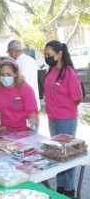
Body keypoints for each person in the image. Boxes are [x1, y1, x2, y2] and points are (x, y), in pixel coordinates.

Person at [44, 40, 83, 198]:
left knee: (67, 157)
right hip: (52, 119)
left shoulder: (69, 74)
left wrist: (64, 106)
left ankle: (69, 191)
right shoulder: (51, 69)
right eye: (45, 54)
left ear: (59, 54)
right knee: (57, 155)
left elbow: (78, 98)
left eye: (49, 55)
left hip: (66, 120)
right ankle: (60, 188)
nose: (46, 57)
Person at [7, 40, 40, 111]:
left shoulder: (17, 63)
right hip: (34, 100)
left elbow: (16, 84)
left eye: (8, 52)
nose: (9, 55)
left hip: (22, 102)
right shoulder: (31, 60)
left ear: (13, 51)